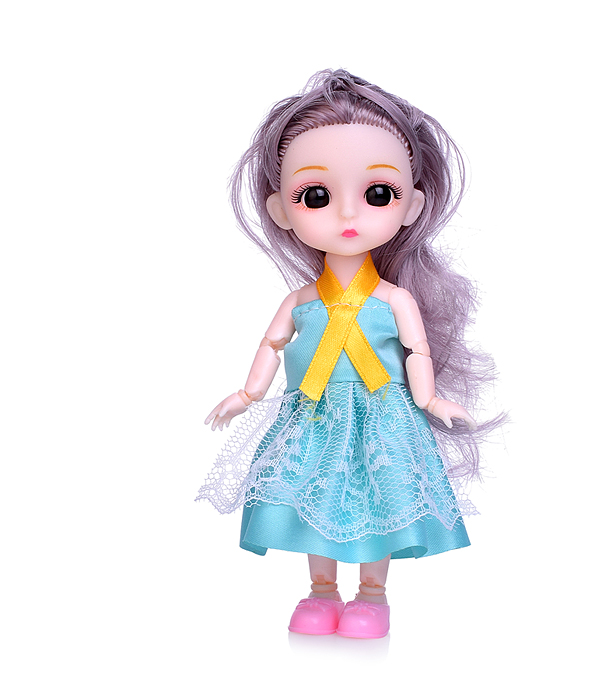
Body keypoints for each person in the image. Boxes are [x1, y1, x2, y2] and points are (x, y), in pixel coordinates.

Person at [197, 70, 502, 638]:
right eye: (315, 196)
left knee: (376, 500)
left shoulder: (394, 299)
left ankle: (372, 595)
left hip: (382, 415)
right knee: (314, 502)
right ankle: (320, 592)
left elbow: (415, 349)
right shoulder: (300, 300)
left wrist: (431, 399)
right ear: (281, 210)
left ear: (410, 205)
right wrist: (247, 393)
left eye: (377, 193)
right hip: (313, 417)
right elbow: (272, 344)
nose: (346, 215)